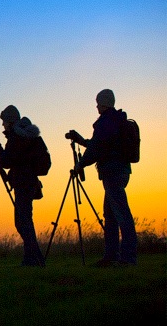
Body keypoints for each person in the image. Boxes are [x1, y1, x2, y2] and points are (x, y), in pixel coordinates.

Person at [68, 89, 137, 267]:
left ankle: (128, 258)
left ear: (104, 103)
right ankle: (111, 256)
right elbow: (99, 145)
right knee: (111, 215)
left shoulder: (105, 123)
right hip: (122, 171)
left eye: (98, 102)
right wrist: (81, 140)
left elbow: (95, 150)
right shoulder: (116, 121)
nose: (96, 106)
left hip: (112, 172)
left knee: (121, 214)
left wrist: (79, 165)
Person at [0, 105, 46, 267]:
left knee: (23, 222)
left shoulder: (17, 137)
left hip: (23, 183)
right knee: (25, 220)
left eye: (4, 122)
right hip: (29, 182)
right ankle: (33, 258)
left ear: (10, 122)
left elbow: (6, 161)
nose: (3, 125)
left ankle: (33, 259)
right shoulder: (28, 136)